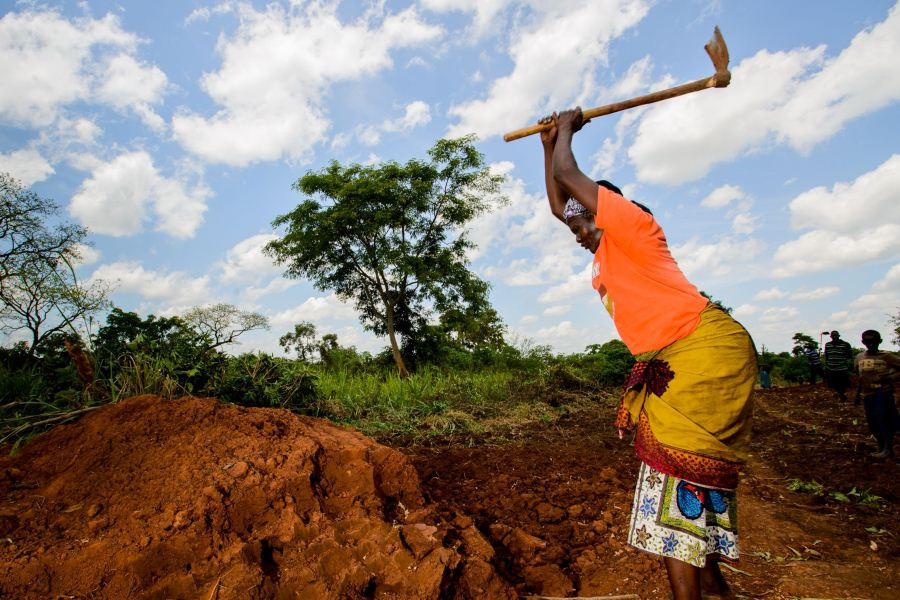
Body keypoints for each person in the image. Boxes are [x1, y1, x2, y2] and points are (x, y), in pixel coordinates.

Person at [540, 108, 755, 600]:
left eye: (583, 221)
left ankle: (699, 588)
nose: (575, 233)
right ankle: (713, 585)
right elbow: (560, 203)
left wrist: (567, 134)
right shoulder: (602, 251)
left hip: (702, 352)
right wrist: (547, 140)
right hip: (683, 357)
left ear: (605, 206)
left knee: (673, 481)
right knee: (687, 482)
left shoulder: (633, 226)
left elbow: (568, 177)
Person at [854, 330, 900, 459]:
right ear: (863, 342)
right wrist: (857, 395)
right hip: (868, 395)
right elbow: (860, 378)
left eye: (873, 341)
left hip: (883, 393)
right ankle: (881, 447)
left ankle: (888, 449)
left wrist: (889, 377)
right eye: (867, 341)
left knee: (883, 421)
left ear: (879, 341)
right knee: (872, 423)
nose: (871, 344)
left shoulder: (886, 356)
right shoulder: (859, 357)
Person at [823, 330, 852, 402]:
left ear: (839, 336)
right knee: (833, 384)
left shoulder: (845, 344)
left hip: (842, 368)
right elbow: (827, 355)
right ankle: (840, 394)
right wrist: (827, 364)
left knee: (843, 383)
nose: (835, 337)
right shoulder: (828, 345)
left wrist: (844, 361)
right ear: (831, 337)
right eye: (833, 336)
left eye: (836, 335)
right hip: (831, 367)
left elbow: (849, 355)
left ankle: (842, 394)